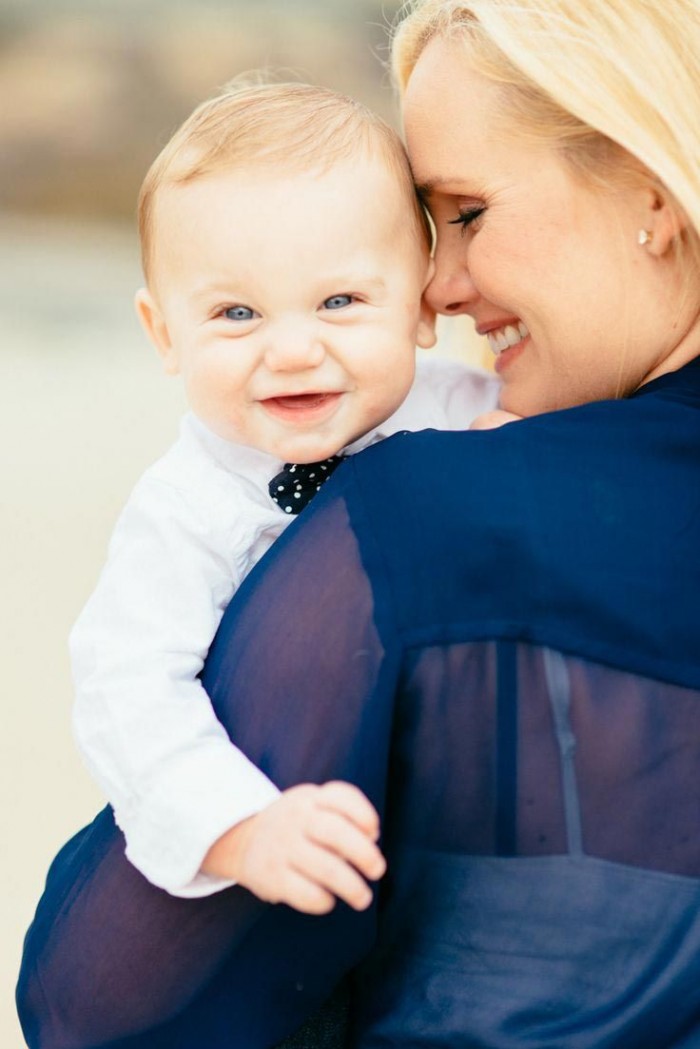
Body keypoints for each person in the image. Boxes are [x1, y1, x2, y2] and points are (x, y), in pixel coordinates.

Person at [17, 0, 700, 1047]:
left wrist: (237, 830)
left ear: (651, 194)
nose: (438, 284)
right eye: (237, 311)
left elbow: (99, 1004)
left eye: (464, 212)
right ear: (161, 329)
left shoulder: (421, 515)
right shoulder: (445, 445)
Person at [67, 79, 499, 910]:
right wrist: (240, 827)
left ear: (420, 306)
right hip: (278, 855)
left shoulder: (466, 413)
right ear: (165, 334)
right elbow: (126, 688)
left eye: (340, 301)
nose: (295, 348)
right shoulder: (187, 508)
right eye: (236, 313)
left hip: (452, 826)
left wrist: (516, 452)